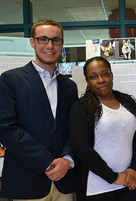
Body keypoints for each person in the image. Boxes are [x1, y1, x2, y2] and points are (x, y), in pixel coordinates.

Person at [0, 19, 78, 200]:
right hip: (27, 180)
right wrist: (46, 162)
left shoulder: (70, 87)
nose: (50, 45)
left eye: (55, 40)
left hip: (64, 181)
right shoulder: (10, 80)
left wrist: (67, 160)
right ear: (32, 42)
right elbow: (5, 127)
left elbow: (74, 129)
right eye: (43, 39)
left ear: (62, 44)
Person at [68, 56, 136, 201]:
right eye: (93, 76)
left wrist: (135, 169)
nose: (101, 80)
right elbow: (81, 149)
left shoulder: (127, 101)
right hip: (96, 188)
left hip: (129, 183)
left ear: (111, 75)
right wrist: (113, 177)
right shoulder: (81, 107)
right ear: (87, 81)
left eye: (104, 74)